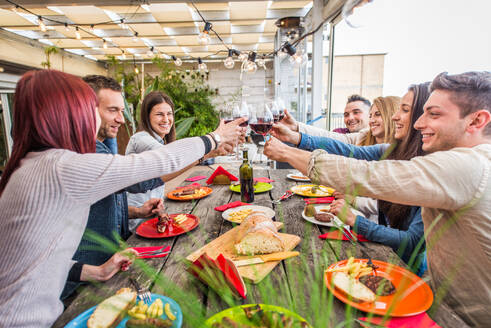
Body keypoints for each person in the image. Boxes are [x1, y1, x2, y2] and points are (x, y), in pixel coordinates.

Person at [0, 69, 244, 327]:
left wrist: (95, 271)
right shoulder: (60, 167)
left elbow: (42, 257)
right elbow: (156, 163)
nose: (94, 118)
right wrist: (214, 138)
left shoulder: (34, 165)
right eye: (89, 110)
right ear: (68, 115)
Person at [264, 71, 491, 327]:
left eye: (434, 114)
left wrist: (287, 152)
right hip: (438, 299)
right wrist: (297, 139)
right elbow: (351, 151)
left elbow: (370, 175)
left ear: (476, 121)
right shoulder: (434, 158)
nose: (417, 123)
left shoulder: (472, 166)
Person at [291, 84, 430, 274]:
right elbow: (349, 151)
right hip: (382, 254)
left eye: (404, 110)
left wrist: (355, 218)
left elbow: (412, 242)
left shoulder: (429, 167)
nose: (395, 116)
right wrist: (297, 138)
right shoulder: (391, 150)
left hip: (406, 270)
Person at [60, 76, 168, 300]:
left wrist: (137, 211)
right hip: (79, 285)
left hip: (110, 265)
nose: (120, 119)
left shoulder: (100, 144)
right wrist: (208, 148)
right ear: (85, 110)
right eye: (112, 110)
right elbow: (136, 179)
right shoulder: (83, 154)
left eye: (122, 110)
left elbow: (103, 200)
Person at [125, 91, 240, 231]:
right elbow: (172, 161)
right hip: (136, 223)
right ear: (147, 117)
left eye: (169, 114)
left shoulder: (159, 140)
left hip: (153, 217)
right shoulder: (141, 139)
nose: (166, 119)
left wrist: (212, 153)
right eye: (159, 114)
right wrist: (213, 144)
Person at [275, 95, 372, 145]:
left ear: (370, 115)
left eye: (356, 112)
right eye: (346, 114)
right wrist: (296, 126)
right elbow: (326, 138)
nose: (350, 118)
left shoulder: (375, 139)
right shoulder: (340, 133)